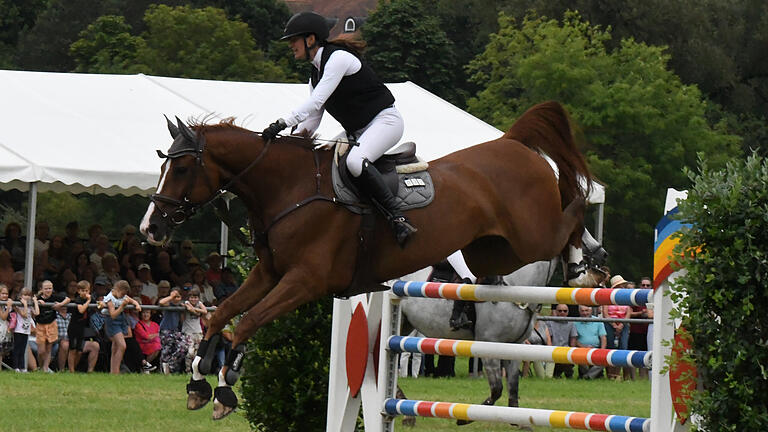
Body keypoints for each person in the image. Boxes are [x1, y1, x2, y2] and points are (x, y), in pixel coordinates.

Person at [262, 11, 416, 246]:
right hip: (357, 133)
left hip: (385, 122)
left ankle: (398, 217)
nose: (291, 45)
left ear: (310, 39)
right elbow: (313, 118)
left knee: (355, 162)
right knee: (324, 162)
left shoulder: (338, 59)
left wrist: (281, 123)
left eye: (294, 40)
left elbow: (314, 103)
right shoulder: (315, 75)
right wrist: (292, 142)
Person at [101, 279, 142, 374]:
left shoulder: (123, 296)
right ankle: (116, 370)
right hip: (113, 321)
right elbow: (113, 314)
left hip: (121, 320)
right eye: (122, 294)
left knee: (115, 346)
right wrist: (122, 306)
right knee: (122, 345)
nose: (123, 296)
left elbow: (132, 301)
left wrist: (137, 305)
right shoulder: (110, 298)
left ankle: (113, 371)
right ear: (118, 289)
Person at [35, 280, 70, 372]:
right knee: (41, 351)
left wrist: (60, 305)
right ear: (42, 289)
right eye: (46, 288)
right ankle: (40, 366)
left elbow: (68, 299)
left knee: (48, 348)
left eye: (50, 288)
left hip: (51, 324)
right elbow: (32, 299)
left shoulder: (55, 297)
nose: (48, 290)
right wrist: (37, 301)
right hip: (41, 325)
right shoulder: (38, 297)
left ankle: (46, 368)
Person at [603, 275, 632, 380]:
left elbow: (628, 311)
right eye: (620, 285)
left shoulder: (626, 297)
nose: (623, 287)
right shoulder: (608, 297)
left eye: (623, 285)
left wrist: (622, 324)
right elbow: (605, 313)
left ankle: (619, 374)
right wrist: (614, 324)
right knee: (610, 347)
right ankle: (610, 374)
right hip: (610, 324)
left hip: (623, 325)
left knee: (623, 348)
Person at [67, 280, 97, 373]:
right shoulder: (78, 299)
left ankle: (74, 368)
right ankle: (71, 370)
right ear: (78, 291)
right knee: (72, 349)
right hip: (73, 327)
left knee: (79, 351)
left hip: (81, 327)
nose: (85, 293)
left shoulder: (91, 299)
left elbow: (98, 304)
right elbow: (81, 310)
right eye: (83, 291)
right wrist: (88, 301)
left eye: (87, 291)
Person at [158, 287, 187, 374]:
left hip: (176, 330)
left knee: (183, 347)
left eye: (177, 296)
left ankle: (170, 366)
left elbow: (182, 320)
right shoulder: (168, 303)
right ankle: (164, 370)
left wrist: (183, 309)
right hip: (166, 330)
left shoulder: (180, 306)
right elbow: (161, 302)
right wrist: (171, 297)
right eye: (174, 296)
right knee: (166, 351)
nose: (175, 299)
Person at [573, 305, 607, 379]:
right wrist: (584, 347)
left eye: (587, 310)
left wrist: (602, 350)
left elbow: (603, 337)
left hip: (596, 348)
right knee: (581, 359)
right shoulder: (575, 322)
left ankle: (587, 376)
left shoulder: (598, 321)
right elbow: (574, 340)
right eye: (582, 311)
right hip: (581, 349)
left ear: (591, 311)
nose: (585, 313)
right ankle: (590, 375)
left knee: (604, 359)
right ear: (579, 312)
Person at [547, 304, 578, 378]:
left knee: (566, 359)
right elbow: (549, 339)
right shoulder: (549, 323)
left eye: (565, 311)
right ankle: (558, 374)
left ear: (568, 312)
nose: (562, 312)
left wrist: (571, 351)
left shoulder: (571, 323)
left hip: (565, 349)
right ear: (556, 312)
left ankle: (564, 374)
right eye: (560, 311)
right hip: (553, 348)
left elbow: (573, 338)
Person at [13, 287, 39, 372]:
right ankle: (16, 367)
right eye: (25, 295)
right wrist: (24, 305)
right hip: (18, 329)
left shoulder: (29, 306)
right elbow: (24, 314)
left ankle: (22, 367)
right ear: (21, 296)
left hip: (26, 330)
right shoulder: (17, 305)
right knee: (17, 348)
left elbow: (37, 313)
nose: (27, 297)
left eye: (28, 295)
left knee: (23, 349)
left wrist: (35, 302)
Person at [182, 288, 207, 373]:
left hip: (198, 331)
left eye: (195, 297)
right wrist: (197, 313)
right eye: (191, 297)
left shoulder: (199, 303)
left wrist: (196, 310)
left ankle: (196, 370)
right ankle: (188, 370)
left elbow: (205, 311)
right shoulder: (186, 303)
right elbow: (190, 309)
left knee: (197, 353)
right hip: (188, 331)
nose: (193, 299)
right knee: (190, 352)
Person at [0, 285, 13, 367]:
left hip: (5, 330)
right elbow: (3, 317)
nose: (5, 295)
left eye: (6, 294)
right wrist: (8, 307)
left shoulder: (5, 303)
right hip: (0, 329)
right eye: (3, 293)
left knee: (3, 353)